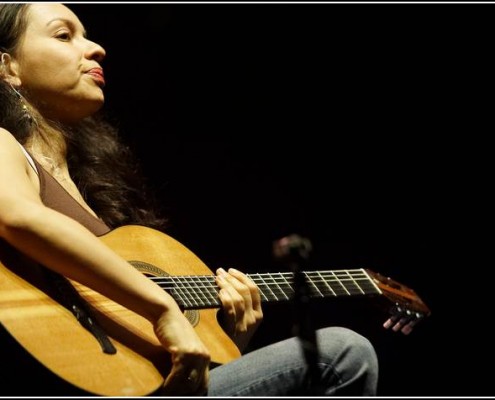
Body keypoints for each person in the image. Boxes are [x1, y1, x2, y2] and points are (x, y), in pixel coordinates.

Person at [0, 3, 416, 396]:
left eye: (85, 35)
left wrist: (229, 337)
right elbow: (18, 216)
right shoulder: (5, 146)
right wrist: (163, 309)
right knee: (341, 351)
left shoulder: (93, 195)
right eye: (63, 35)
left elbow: (143, 359)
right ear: (7, 67)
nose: (96, 48)